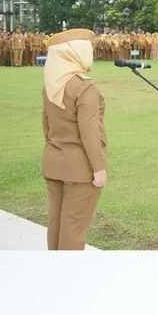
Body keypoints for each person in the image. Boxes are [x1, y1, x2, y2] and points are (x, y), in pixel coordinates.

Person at [41, 28, 106, 250]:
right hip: (80, 168)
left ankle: (55, 276)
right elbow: (90, 133)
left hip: (54, 162)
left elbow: (46, 127)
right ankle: (68, 280)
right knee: (73, 229)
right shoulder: (85, 88)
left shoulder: (51, 85)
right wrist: (99, 168)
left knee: (57, 224)